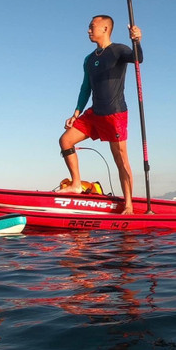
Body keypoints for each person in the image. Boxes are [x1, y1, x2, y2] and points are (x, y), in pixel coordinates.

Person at [58, 14, 142, 215]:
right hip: (94, 113)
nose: (88, 30)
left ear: (105, 29)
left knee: (121, 160)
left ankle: (128, 204)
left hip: (114, 114)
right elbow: (86, 87)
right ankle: (76, 183)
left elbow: (138, 59)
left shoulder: (119, 50)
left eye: (91, 26)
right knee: (66, 140)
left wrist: (137, 41)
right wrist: (77, 112)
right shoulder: (89, 59)